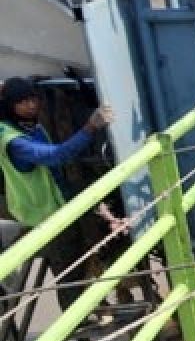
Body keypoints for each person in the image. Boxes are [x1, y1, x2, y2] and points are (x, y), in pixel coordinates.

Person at [0, 78, 114, 311]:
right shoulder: (13, 140)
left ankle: (92, 306)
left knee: (86, 252)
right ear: (10, 105)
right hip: (42, 216)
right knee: (69, 271)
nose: (31, 105)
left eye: (33, 99)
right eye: (22, 102)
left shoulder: (30, 126)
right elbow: (56, 156)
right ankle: (77, 328)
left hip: (56, 203)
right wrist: (90, 127)